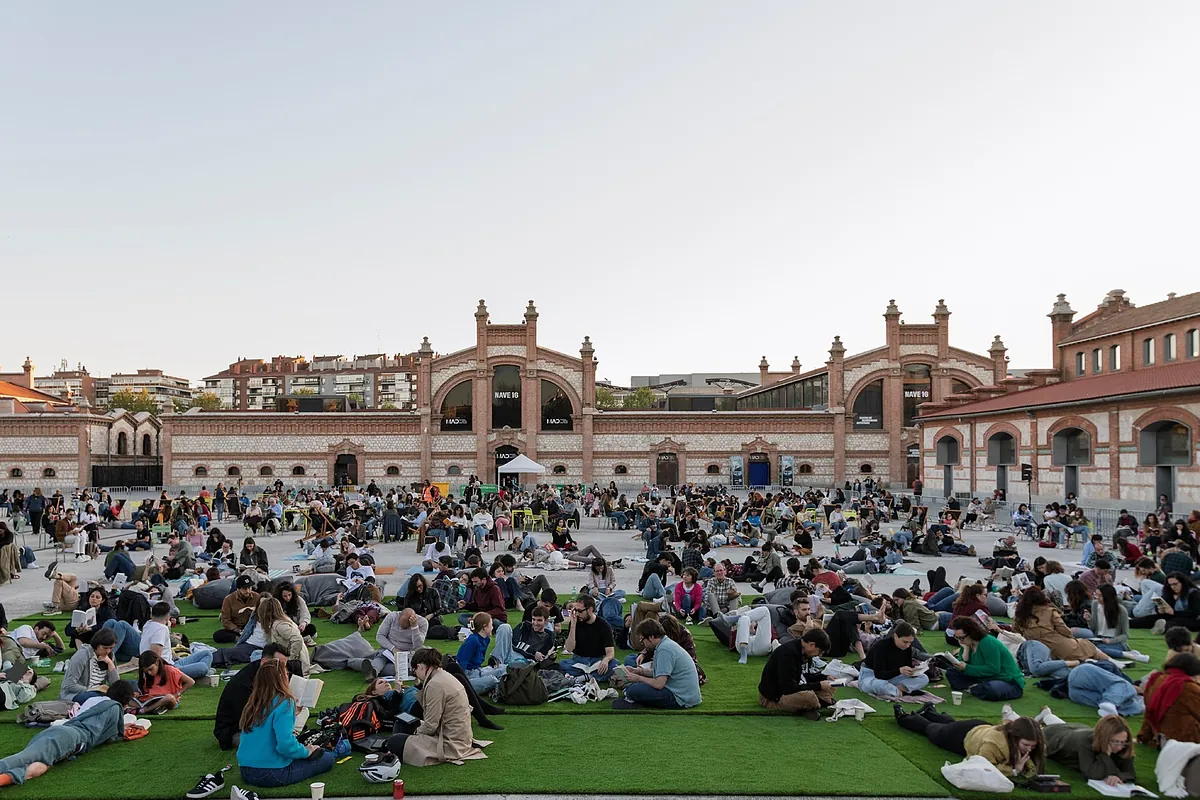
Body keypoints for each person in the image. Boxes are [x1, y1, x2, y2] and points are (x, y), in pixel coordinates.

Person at [0, 683, 135, 786]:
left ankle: (6, 778)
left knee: (38, 766)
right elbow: (112, 734)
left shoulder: (94, 700)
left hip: (61, 732)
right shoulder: (115, 707)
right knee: (24, 758)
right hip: (70, 737)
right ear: (125, 701)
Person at [235, 656, 334, 789]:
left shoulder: (254, 702)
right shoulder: (285, 702)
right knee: (327, 758)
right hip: (271, 772)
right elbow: (285, 745)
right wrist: (306, 752)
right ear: (283, 677)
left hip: (245, 770)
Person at [384, 647, 479, 766]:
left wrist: (416, 732)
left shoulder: (435, 684)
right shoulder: (442, 675)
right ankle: (395, 748)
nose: (416, 676)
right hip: (455, 735)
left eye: (414, 672)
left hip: (450, 743)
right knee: (403, 722)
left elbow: (430, 726)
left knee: (394, 741)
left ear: (419, 667)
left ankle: (392, 750)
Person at [895, 705, 1045, 779]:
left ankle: (930, 711)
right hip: (963, 736)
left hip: (979, 728)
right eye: (1026, 745)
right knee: (932, 730)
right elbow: (982, 768)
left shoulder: (1027, 740)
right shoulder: (993, 744)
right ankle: (903, 716)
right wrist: (1014, 771)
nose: (1030, 749)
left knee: (949, 724)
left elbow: (1033, 766)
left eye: (1033, 746)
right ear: (1015, 737)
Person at [214, 643, 293, 750]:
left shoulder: (264, 671)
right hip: (237, 731)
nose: (284, 671)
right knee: (272, 742)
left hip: (258, 721)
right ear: (264, 662)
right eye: (280, 666)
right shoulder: (244, 685)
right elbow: (253, 720)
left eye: (284, 666)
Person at [611, 618, 701, 709]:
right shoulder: (664, 645)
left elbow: (659, 684)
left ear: (651, 637)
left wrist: (638, 678)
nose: (642, 644)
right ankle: (635, 698)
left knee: (633, 690)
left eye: (642, 640)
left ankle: (635, 700)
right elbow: (659, 672)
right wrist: (637, 671)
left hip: (681, 698)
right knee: (635, 688)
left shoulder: (664, 650)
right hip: (685, 694)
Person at [1029, 711, 1137, 786]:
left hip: (1075, 730)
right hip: (1054, 738)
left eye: (1123, 742)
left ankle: (1047, 715)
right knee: (1029, 732)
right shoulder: (1086, 742)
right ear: (1104, 738)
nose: (1119, 747)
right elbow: (1091, 774)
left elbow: (1130, 773)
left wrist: (1119, 777)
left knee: (1062, 726)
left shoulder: (1123, 744)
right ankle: (1012, 714)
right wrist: (1105, 755)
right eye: (1115, 742)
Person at [1012, 586, 1108, 661]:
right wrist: (1071, 638)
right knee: (1087, 645)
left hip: (1037, 650)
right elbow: (1064, 629)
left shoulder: (1019, 615)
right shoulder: (1049, 611)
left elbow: (1016, 632)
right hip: (1057, 645)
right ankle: (1112, 661)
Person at [939, 616, 1024, 701]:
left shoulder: (988, 642)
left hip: (1006, 680)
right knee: (952, 672)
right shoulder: (966, 643)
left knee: (992, 689)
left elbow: (993, 669)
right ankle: (976, 688)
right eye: (957, 638)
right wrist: (966, 650)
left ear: (971, 633)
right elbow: (961, 664)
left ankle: (973, 688)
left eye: (961, 637)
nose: (960, 641)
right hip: (982, 677)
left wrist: (967, 668)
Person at [757, 628, 834, 720]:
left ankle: (812, 705)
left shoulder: (804, 652)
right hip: (774, 697)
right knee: (809, 697)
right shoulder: (788, 654)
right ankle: (814, 704)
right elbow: (788, 688)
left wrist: (824, 677)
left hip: (793, 688)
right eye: (820, 652)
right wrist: (818, 686)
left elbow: (803, 676)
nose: (819, 655)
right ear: (811, 645)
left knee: (830, 684)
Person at [140, 600, 214, 680]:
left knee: (207, 653)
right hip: (167, 670)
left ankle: (199, 673)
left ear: (151, 615)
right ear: (168, 616)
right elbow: (154, 656)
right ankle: (200, 674)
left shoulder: (148, 624)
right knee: (203, 667)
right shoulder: (161, 629)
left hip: (173, 662)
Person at [1138, 653, 1200, 746]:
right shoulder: (1187, 686)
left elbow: (1149, 711)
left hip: (1160, 735)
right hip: (1184, 740)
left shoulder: (1157, 678)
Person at [858, 622, 929, 698]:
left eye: (910, 642)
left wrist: (913, 671)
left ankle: (896, 690)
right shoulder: (881, 646)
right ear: (895, 636)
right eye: (905, 642)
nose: (908, 645)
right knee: (879, 685)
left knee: (924, 678)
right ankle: (901, 692)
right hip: (871, 676)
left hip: (894, 676)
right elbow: (879, 674)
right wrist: (899, 671)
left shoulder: (907, 648)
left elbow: (907, 666)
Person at [357, 607, 429, 679]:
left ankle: (374, 668)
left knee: (424, 655)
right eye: (400, 625)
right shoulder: (391, 617)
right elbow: (380, 636)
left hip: (410, 653)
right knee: (381, 656)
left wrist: (415, 627)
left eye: (406, 627)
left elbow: (418, 644)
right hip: (390, 650)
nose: (401, 627)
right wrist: (393, 649)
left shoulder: (423, 622)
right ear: (399, 615)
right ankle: (373, 671)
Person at [561, 594, 618, 678]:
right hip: (578, 660)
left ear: (590, 610)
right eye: (575, 610)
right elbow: (569, 648)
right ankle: (590, 676)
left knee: (614, 665)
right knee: (561, 664)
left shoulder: (603, 625)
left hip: (597, 660)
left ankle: (583, 677)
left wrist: (606, 660)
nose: (576, 614)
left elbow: (610, 652)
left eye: (579, 611)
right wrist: (573, 626)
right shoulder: (575, 622)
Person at [59, 628, 120, 701]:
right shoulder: (82, 656)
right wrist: (93, 689)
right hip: (77, 694)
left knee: (129, 686)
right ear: (97, 645)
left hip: (98, 691)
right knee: (96, 697)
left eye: (111, 648)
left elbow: (116, 685)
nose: (108, 651)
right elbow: (69, 685)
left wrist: (110, 663)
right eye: (105, 648)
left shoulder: (110, 655)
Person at [1131, 572, 1200, 632]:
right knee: (1149, 618)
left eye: (1175, 584)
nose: (1172, 587)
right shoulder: (1169, 592)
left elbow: (1194, 614)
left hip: (1192, 619)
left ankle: (1162, 628)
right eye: (1170, 585)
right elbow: (1165, 610)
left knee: (1173, 623)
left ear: (1183, 583)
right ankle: (1127, 623)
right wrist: (1159, 610)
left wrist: (1173, 612)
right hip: (1172, 616)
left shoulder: (1193, 593)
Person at [455, 612, 506, 693]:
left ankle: (500, 685)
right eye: (491, 625)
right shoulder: (473, 641)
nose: (493, 628)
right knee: (492, 680)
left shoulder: (486, 639)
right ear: (484, 627)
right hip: (467, 676)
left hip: (477, 671)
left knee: (504, 668)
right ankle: (499, 688)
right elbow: (461, 664)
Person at [492, 605, 556, 665]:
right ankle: (496, 661)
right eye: (533, 619)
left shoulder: (549, 637)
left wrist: (551, 657)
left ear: (546, 621)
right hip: (511, 653)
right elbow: (514, 642)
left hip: (526, 661)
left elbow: (543, 657)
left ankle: (501, 667)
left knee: (523, 663)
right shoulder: (525, 626)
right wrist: (533, 653)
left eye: (539, 620)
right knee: (505, 627)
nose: (535, 623)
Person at [215, 575, 261, 644]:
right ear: (238, 589)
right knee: (218, 635)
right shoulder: (228, 599)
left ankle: (247, 637)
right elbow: (226, 620)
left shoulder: (257, 597)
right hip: (236, 630)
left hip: (252, 628)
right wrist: (238, 630)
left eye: (249, 588)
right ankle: (241, 638)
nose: (248, 591)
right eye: (245, 588)